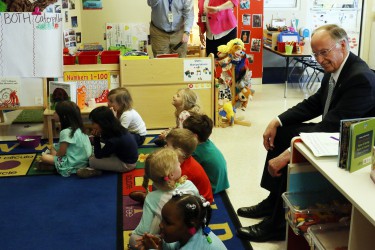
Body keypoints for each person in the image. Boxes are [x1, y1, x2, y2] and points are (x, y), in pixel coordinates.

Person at [236, 24, 375, 242]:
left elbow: (332, 126)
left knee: (293, 146)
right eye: (316, 53)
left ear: (343, 45)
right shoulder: (335, 69)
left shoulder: (360, 78)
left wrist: (290, 151)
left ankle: (277, 224)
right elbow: (315, 104)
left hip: (348, 144)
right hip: (333, 131)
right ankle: (273, 201)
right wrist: (277, 120)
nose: (319, 59)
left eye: (324, 52)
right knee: (283, 132)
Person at [128, 148, 200, 249]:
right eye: (178, 164)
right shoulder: (189, 185)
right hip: (190, 232)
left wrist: (137, 235)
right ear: (171, 174)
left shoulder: (151, 198)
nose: (180, 164)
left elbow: (143, 230)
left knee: (133, 239)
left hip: (167, 238)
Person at [136, 193, 227, 250]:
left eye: (168, 222)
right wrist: (161, 244)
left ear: (190, 226)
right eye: (162, 219)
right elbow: (177, 245)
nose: (160, 225)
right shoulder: (193, 231)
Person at [77, 106, 138, 178]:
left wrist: (96, 138)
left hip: (127, 164)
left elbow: (98, 155)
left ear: (102, 123)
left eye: (93, 123)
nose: (92, 125)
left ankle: (95, 170)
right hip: (122, 155)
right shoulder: (115, 127)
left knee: (92, 161)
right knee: (98, 147)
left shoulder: (114, 140)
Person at [38, 101, 92, 177]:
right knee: (54, 147)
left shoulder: (66, 132)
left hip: (73, 162)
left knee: (44, 157)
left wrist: (55, 157)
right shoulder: (80, 128)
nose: (54, 114)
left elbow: (61, 152)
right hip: (85, 160)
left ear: (64, 117)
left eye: (56, 112)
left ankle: (58, 166)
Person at [183, 114, 230, 194]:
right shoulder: (206, 142)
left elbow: (185, 169)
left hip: (212, 187)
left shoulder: (195, 152)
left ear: (194, 136)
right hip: (221, 183)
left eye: (184, 132)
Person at [166, 128, 214, 203]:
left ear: (179, 151)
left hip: (201, 202)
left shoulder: (185, 171)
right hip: (191, 193)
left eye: (167, 145)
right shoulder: (182, 160)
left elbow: (174, 188)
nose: (165, 147)